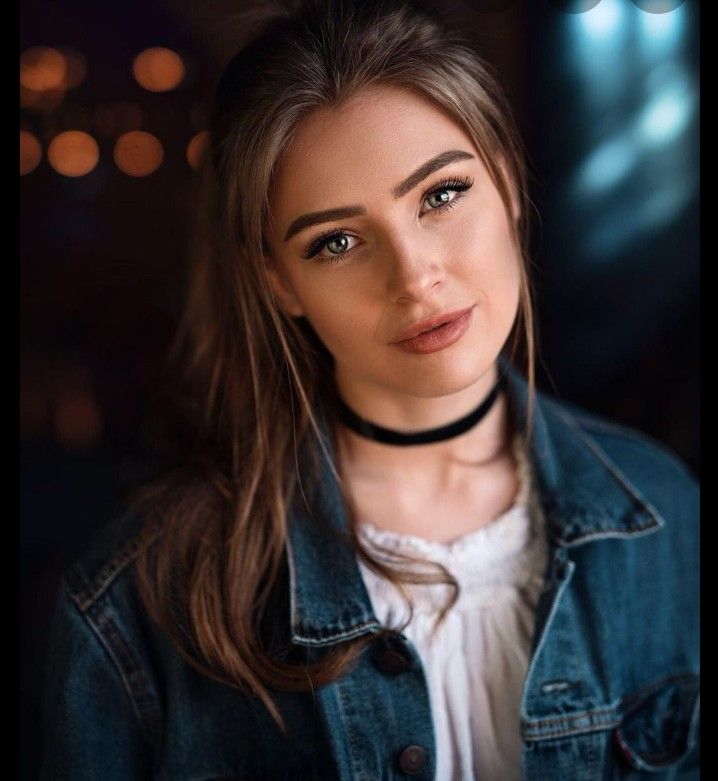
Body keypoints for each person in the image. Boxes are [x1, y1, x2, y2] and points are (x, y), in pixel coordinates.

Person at [39, 0, 700, 779]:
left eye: (442, 195)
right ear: (277, 280)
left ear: (510, 183)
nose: (416, 277)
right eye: (338, 241)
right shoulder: (142, 604)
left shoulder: (665, 516)